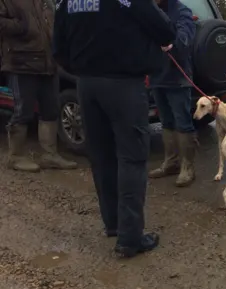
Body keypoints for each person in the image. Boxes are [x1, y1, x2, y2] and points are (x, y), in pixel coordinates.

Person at [53, 0, 176, 258]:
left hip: (86, 84)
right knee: (132, 159)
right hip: (124, 85)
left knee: (101, 156)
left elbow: (59, 48)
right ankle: (130, 238)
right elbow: (166, 30)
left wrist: (83, 67)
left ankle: (113, 224)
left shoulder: (68, 1)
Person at [0, 0, 77, 172]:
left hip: (49, 62)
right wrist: (22, 26)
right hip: (22, 63)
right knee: (23, 111)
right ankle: (15, 156)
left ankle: (50, 155)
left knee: (51, 109)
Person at [148, 0, 197, 187]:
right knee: (166, 122)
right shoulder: (151, 9)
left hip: (178, 78)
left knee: (183, 123)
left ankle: (188, 167)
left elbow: (184, 40)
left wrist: (172, 44)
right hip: (157, 76)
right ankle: (171, 163)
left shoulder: (182, 11)